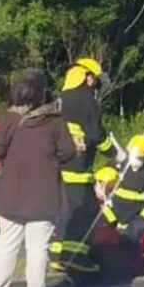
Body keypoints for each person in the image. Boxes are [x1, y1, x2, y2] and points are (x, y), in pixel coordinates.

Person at [0, 70, 76, 287]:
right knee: (38, 250)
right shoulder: (54, 121)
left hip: (11, 194)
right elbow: (69, 152)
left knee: (6, 245)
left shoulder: (9, 120)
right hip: (43, 195)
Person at [52, 58, 125, 265]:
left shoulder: (61, 99)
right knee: (81, 214)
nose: (94, 83)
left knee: (68, 212)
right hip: (78, 169)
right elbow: (96, 134)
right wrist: (114, 153)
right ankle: (73, 259)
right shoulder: (86, 101)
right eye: (93, 78)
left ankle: (59, 255)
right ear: (86, 76)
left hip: (59, 168)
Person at [102, 134, 144, 247]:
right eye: (133, 156)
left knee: (128, 251)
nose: (135, 161)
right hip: (111, 217)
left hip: (133, 224)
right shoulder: (119, 165)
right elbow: (103, 179)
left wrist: (137, 225)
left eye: (140, 158)